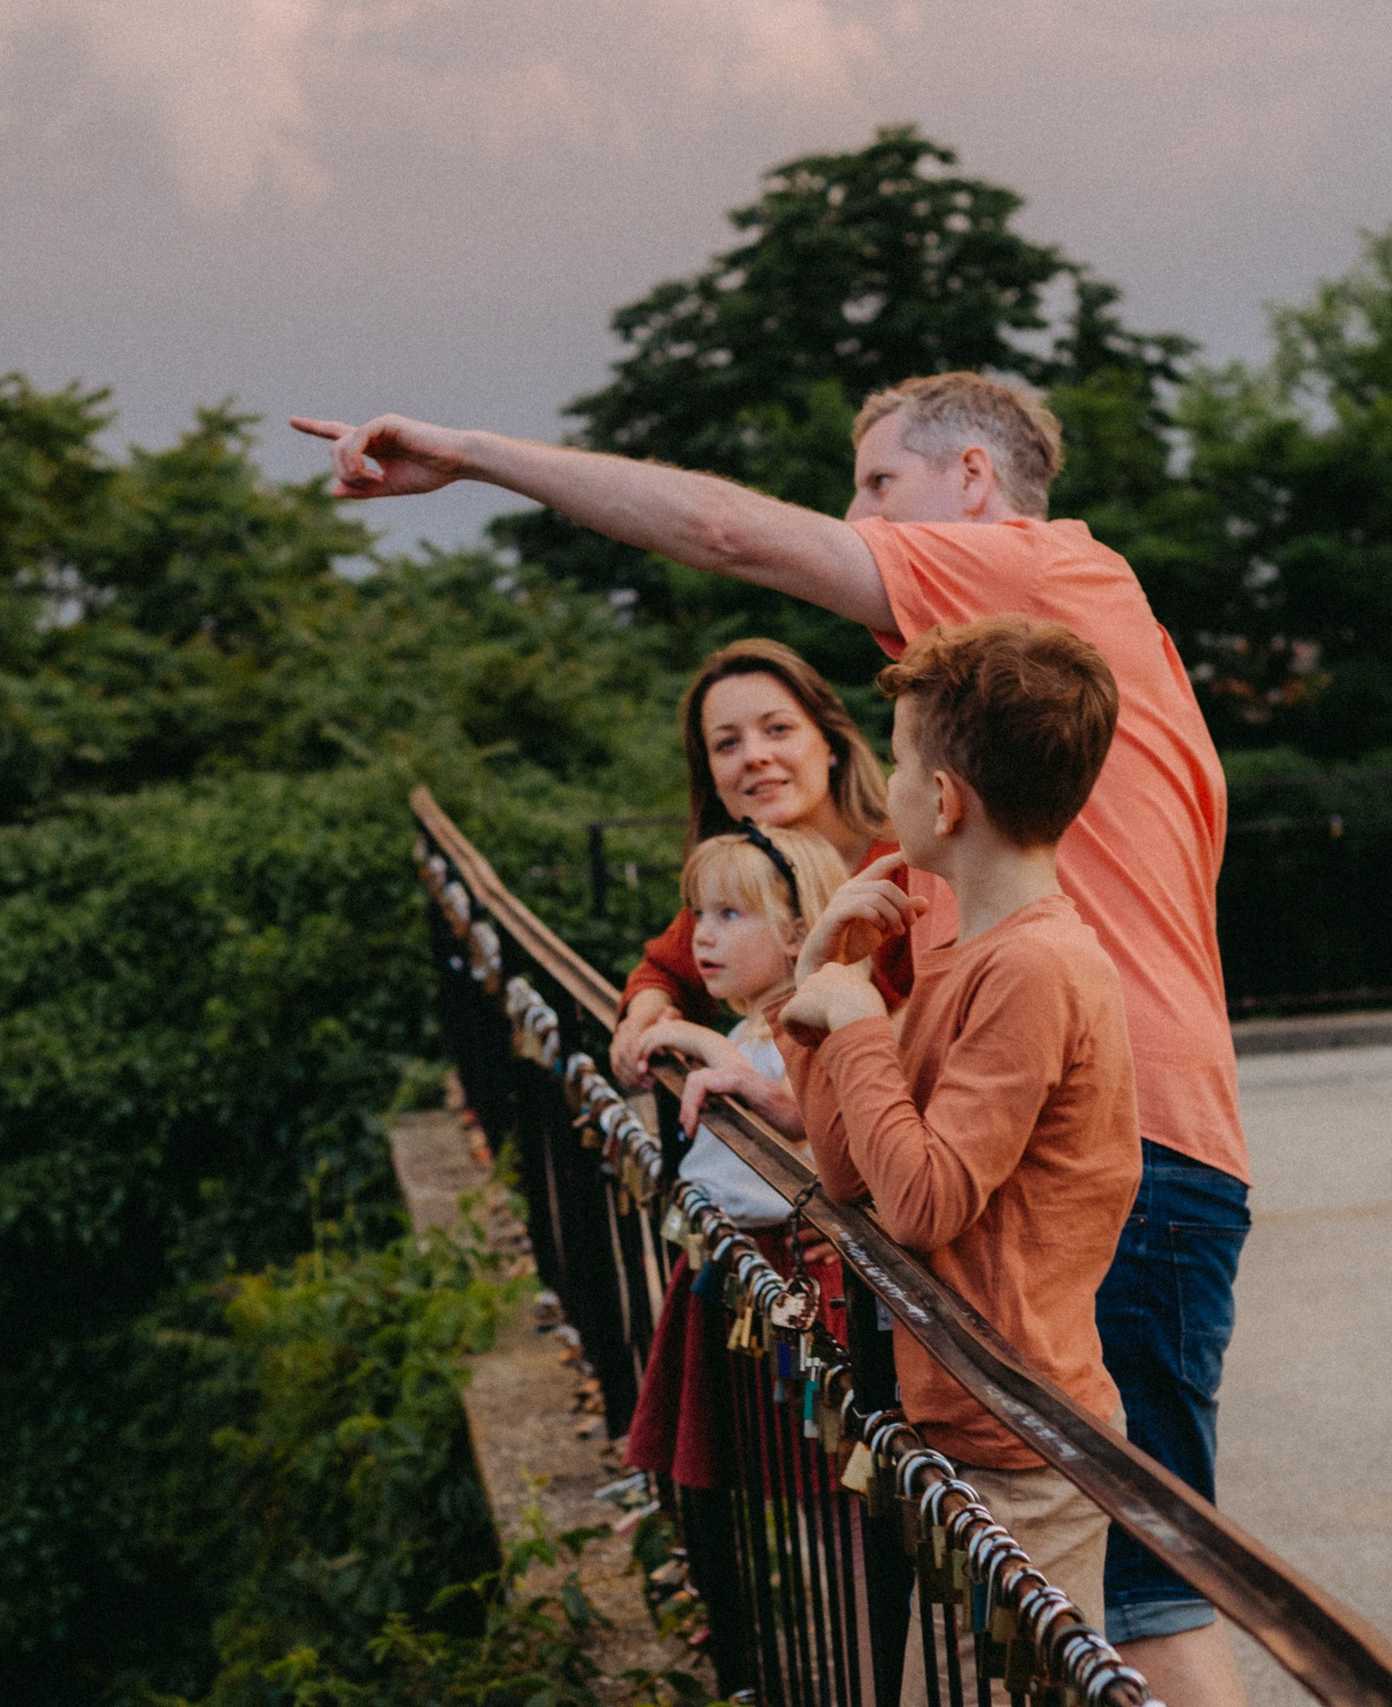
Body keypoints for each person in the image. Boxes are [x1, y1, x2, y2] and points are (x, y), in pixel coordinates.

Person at [294, 370, 1251, 1707]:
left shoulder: (1044, 574)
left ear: (974, 480)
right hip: (1106, 1156)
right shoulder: (1035, 680)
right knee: (1082, 1616)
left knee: (1137, 1609)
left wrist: (469, 453)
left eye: (878, 483)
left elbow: (730, 532)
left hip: (1118, 1158)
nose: (854, 518)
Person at [774, 615, 1134, 1701]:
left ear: (942, 801)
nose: (884, 783)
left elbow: (925, 1202)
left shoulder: (1035, 968)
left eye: (895, 761)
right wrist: (820, 979)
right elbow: (855, 1177)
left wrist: (858, 1029)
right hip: (961, 1423)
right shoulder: (961, 952)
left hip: (1021, 1436)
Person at [617, 820, 849, 1700]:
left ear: (797, 934)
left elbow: (812, 1126)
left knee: (842, 1531)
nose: (701, 936)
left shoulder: (803, 1021)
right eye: (697, 913)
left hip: (795, 1290)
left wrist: (709, 1048)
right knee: (811, 1528)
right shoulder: (754, 1022)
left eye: (728, 914)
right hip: (750, 1284)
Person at [605, 638, 909, 1104]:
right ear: (710, 775)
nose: (754, 756)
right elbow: (667, 971)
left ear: (829, 742)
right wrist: (645, 1017)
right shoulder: (741, 882)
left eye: (778, 729)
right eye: (727, 743)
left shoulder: (913, 864)